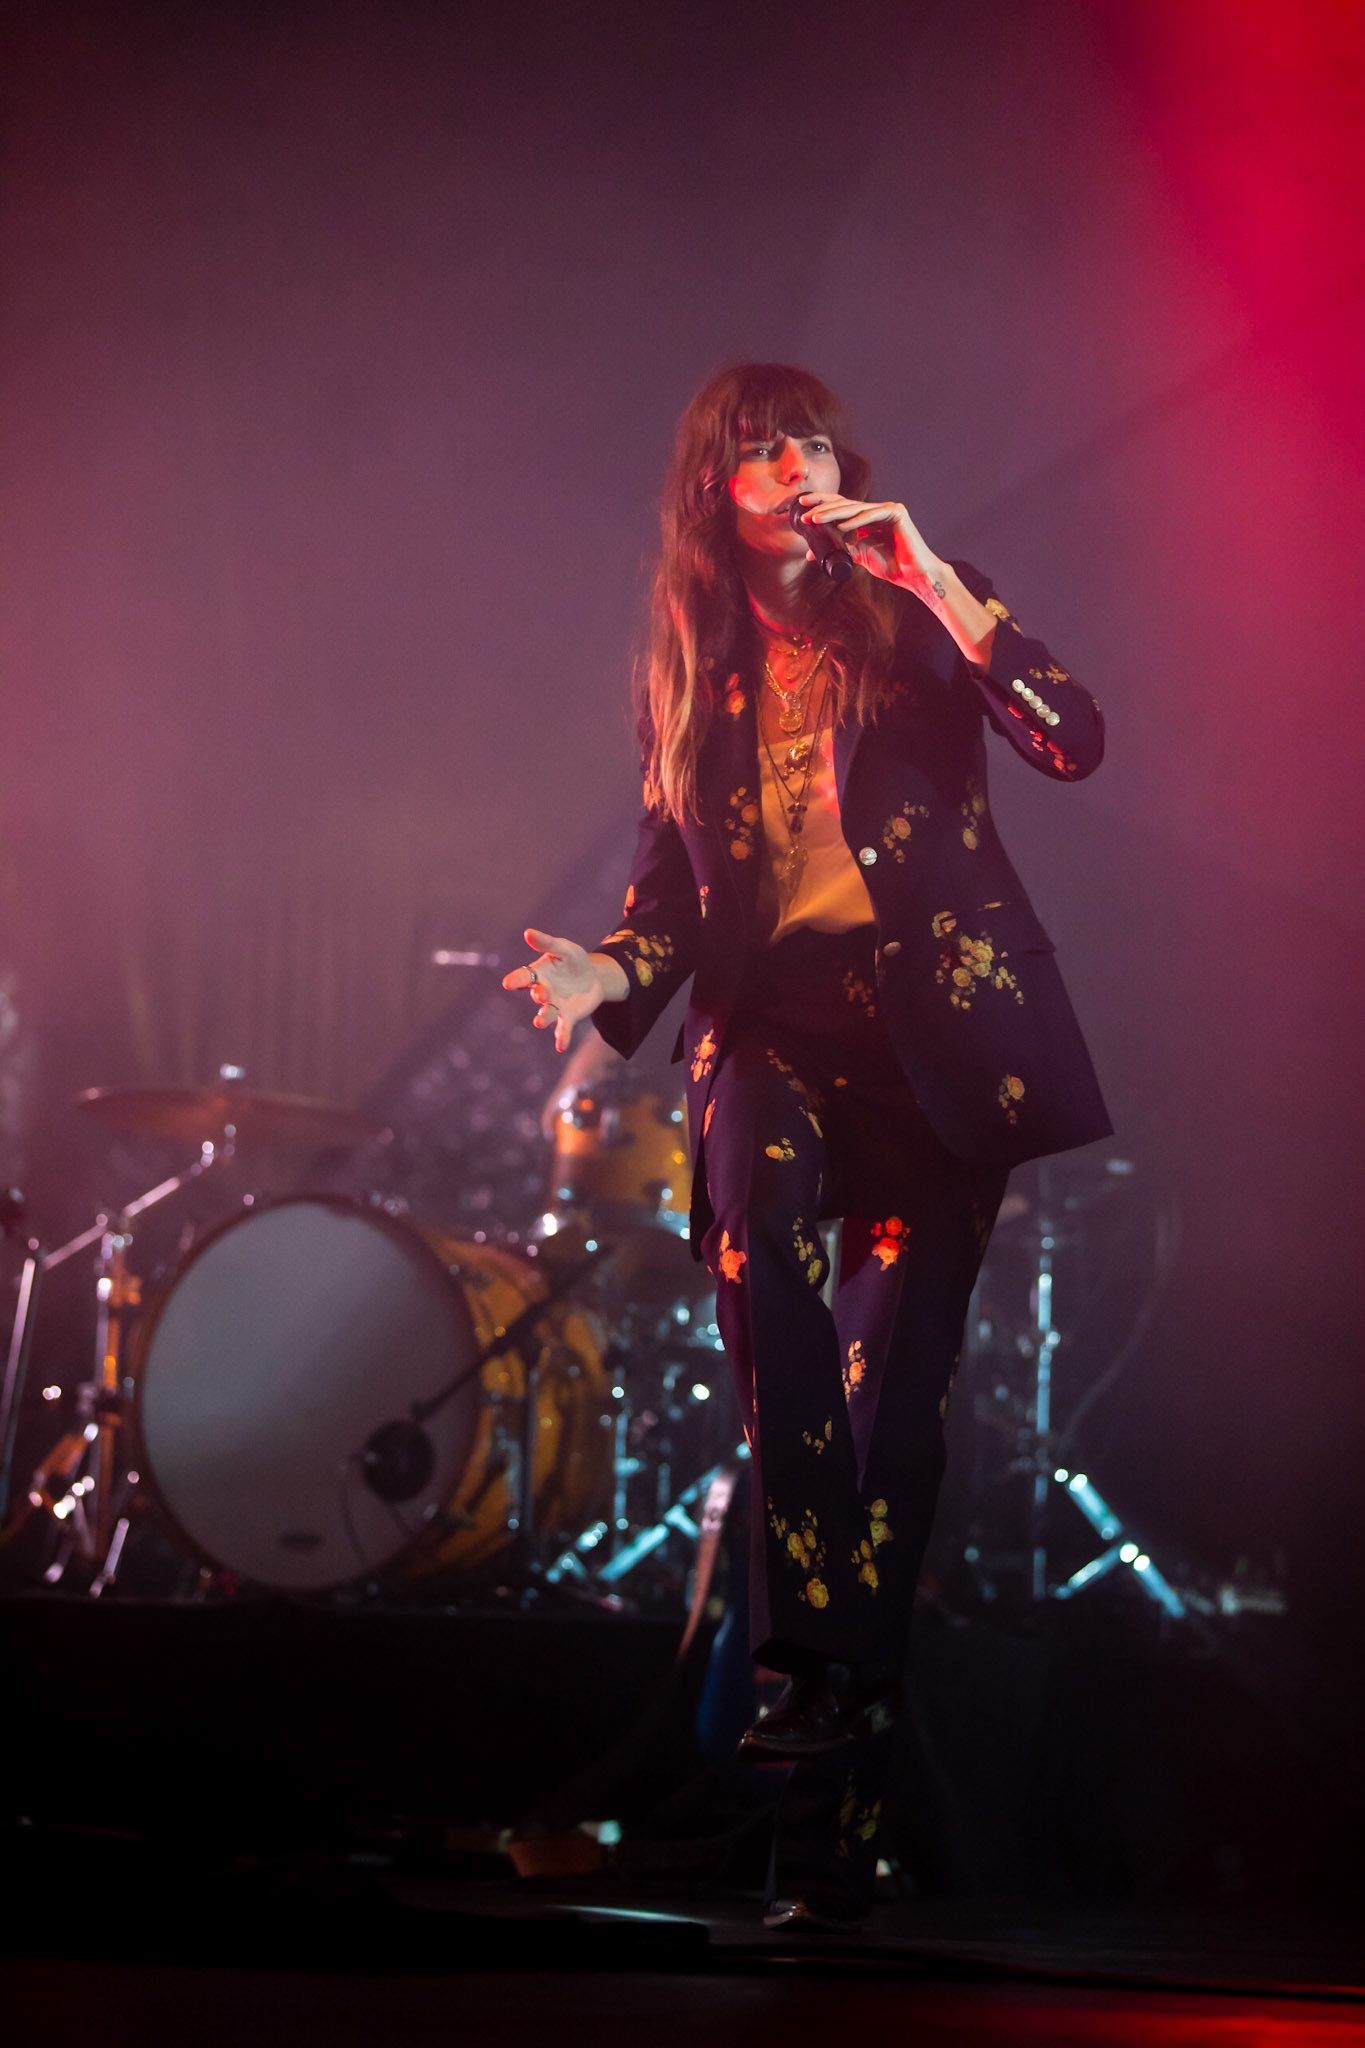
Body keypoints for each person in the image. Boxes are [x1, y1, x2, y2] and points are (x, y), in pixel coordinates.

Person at [504, 363, 1110, 1926]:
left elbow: (1071, 742)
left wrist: (939, 580)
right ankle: (807, 1671)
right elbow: (668, 903)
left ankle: (832, 1764)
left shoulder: (914, 613)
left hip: (931, 1043)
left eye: (813, 438)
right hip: (771, 1036)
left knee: (888, 1398)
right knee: (775, 1324)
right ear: (716, 485)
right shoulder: (689, 667)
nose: (795, 461)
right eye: (761, 445)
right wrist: (605, 974)